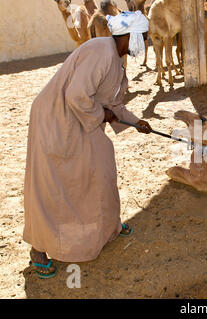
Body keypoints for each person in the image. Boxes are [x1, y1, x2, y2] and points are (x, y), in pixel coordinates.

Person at [23, 11, 152, 278]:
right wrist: (101, 115)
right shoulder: (100, 52)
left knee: (101, 165)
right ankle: (39, 248)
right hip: (56, 119)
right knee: (53, 183)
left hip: (81, 118)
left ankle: (107, 227)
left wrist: (137, 122)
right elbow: (76, 95)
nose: (147, 41)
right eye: (145, 36)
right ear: (129, 36)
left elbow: (113, 104)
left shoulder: (117, 59)